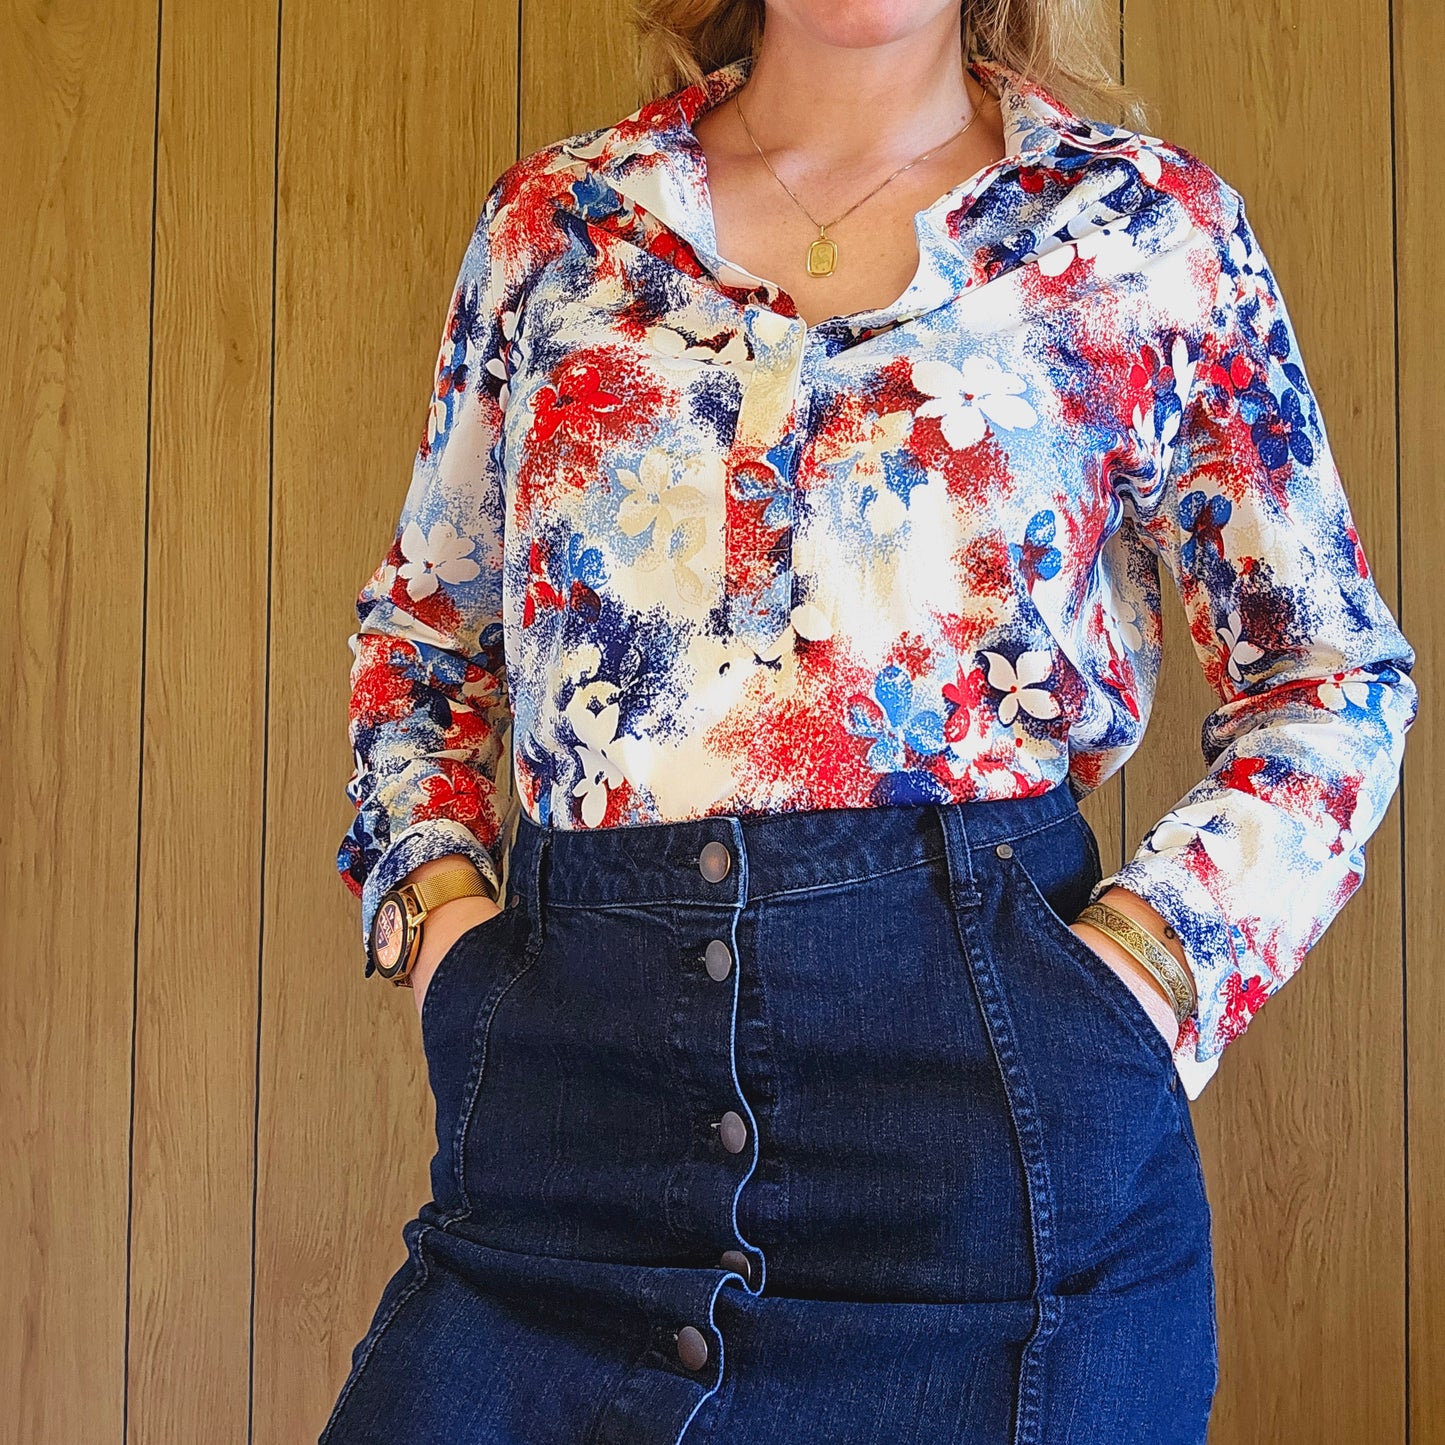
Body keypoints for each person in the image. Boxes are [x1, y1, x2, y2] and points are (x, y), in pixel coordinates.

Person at [323, 2, 1418, 1441]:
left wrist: (1142, 982)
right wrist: (441, 930)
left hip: (999, 1159)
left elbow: (1327, 676)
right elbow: (422, 639)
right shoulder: (559, 225)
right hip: (564, 1141)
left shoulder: (1143, 231)